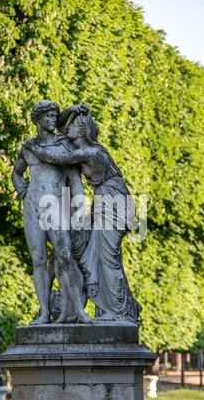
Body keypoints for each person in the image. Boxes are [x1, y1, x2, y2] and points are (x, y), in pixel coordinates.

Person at [25, 109, 141, 323]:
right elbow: (55, 128)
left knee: (108, 256)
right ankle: (112, 309)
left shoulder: (87, 153)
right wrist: (71, 110)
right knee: (97, 254)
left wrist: (33, 147)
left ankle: (118, 311)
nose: (63, 126)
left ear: (80, 130)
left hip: (113, 200)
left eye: (70, 124)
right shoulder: (81, 146)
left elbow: (54, 156)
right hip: (103, 197)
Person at [12, 100, 92, 324]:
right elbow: (17, 173)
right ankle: (45, 312)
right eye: (48, 116)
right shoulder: (28, 147)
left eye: (55, 115)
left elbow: (76, 180)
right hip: (32, 206)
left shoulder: (63, 146)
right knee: (38, 260)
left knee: (66, 257)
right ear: (37, 120)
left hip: (55, 205)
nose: (53, 120)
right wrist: (23, 190)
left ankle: (80, 311)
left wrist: (78, 208)